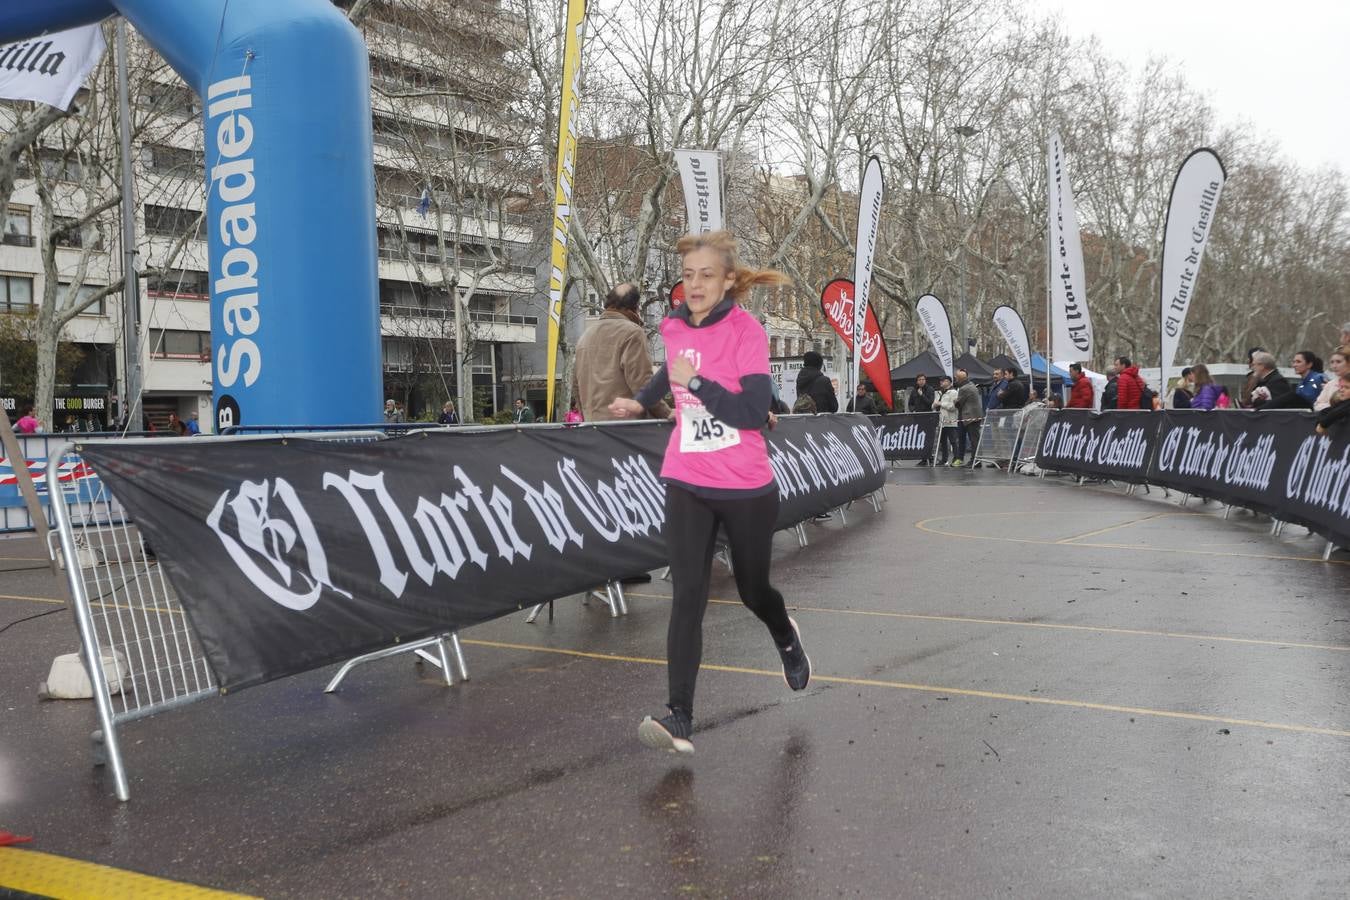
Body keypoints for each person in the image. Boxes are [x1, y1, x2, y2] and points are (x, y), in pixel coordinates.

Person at [609, 230, 809, 755]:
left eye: (706, 275)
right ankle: (679, 716)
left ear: (727, 281)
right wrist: (640, 400)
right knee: (687, 596)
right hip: (687, 477)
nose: (694, 284)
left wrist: (697, 385)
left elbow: (748, 412)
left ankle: (784, 633)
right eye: (688, 275)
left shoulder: (748, 333)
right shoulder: (673, 325)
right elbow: (666, 372)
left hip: (745, 485)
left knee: (752, 590)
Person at [573, 282, 670, 422]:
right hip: (626, 430)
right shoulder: (632, 333)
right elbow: (642, 383)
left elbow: (576, 386)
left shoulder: (584, 337)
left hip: (593, 429)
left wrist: (587, 419)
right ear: (635, 307)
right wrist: (666, 413)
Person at [952, 368, 982, 466]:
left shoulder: (964, 388)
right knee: (971, 439)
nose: (955, 380)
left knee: (972, 439)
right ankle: (972, 459)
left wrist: (955, 401)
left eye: (956, 378)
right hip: (970, 416)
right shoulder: (972, 385)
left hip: (969, 417)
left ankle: (975, 460)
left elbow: (958, 403)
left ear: (960, 379)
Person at [933, 375, 958, 466]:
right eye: (941, 381)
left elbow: (953, 407)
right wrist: (936, 404)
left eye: (943, 381)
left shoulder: (954, 392)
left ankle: (956, 458)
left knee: (953, 440)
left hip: (950, 420)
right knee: (942, 441)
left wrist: (940, 403)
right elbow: (933, 405)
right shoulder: (939, 393)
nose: (941, 382)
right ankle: (944, 459)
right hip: (941, 421)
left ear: (949, 382)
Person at [1315, 371, 1350, 436]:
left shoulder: (1345, 406)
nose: (1341, 390)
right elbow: (1325, 411)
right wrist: (1319, 423)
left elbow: (1339, 411)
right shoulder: (1341, 403)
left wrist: (1323, 424)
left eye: (1347, 387)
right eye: (1341, 387)